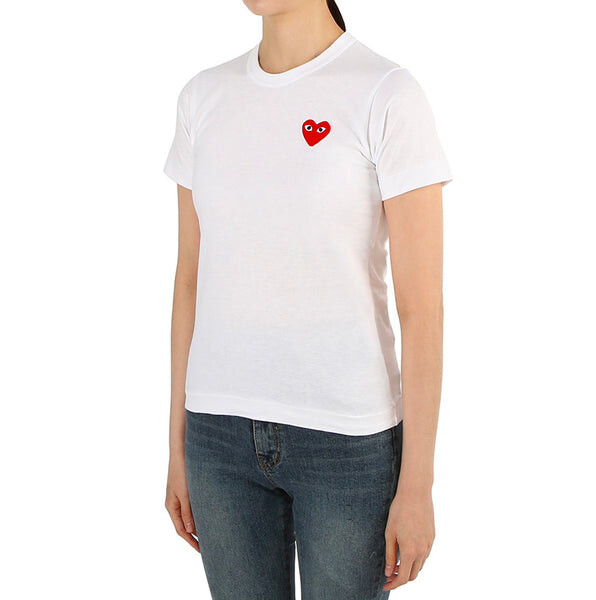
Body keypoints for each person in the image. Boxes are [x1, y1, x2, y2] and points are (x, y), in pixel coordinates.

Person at [163, 1, 453, 598]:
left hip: (346, 442)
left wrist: (417, 485)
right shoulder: (203, 97)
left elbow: (422, 309)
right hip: (217, 437)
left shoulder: (386, 93)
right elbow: (189, 277)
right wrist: (177, 447)